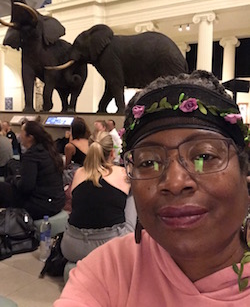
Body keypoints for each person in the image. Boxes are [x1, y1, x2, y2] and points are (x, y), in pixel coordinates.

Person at [54, 70, 250, 306]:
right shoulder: (108, 269)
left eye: (204, 157)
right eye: (148, 162)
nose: (175, 183)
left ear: (244, 170)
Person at [60, 131, 136, 263]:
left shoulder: (79, 173)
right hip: (109, 248)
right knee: (133, 195)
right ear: (112, 153)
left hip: (71, 246)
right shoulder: (124, 173)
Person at [0, 121, 65, 220]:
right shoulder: (50, 151)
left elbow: (26, 187)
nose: (19, 135)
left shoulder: (32, 156)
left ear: (30, 137)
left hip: (41, 205)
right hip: (57, 201)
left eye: (21, 132)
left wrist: (14, 180)